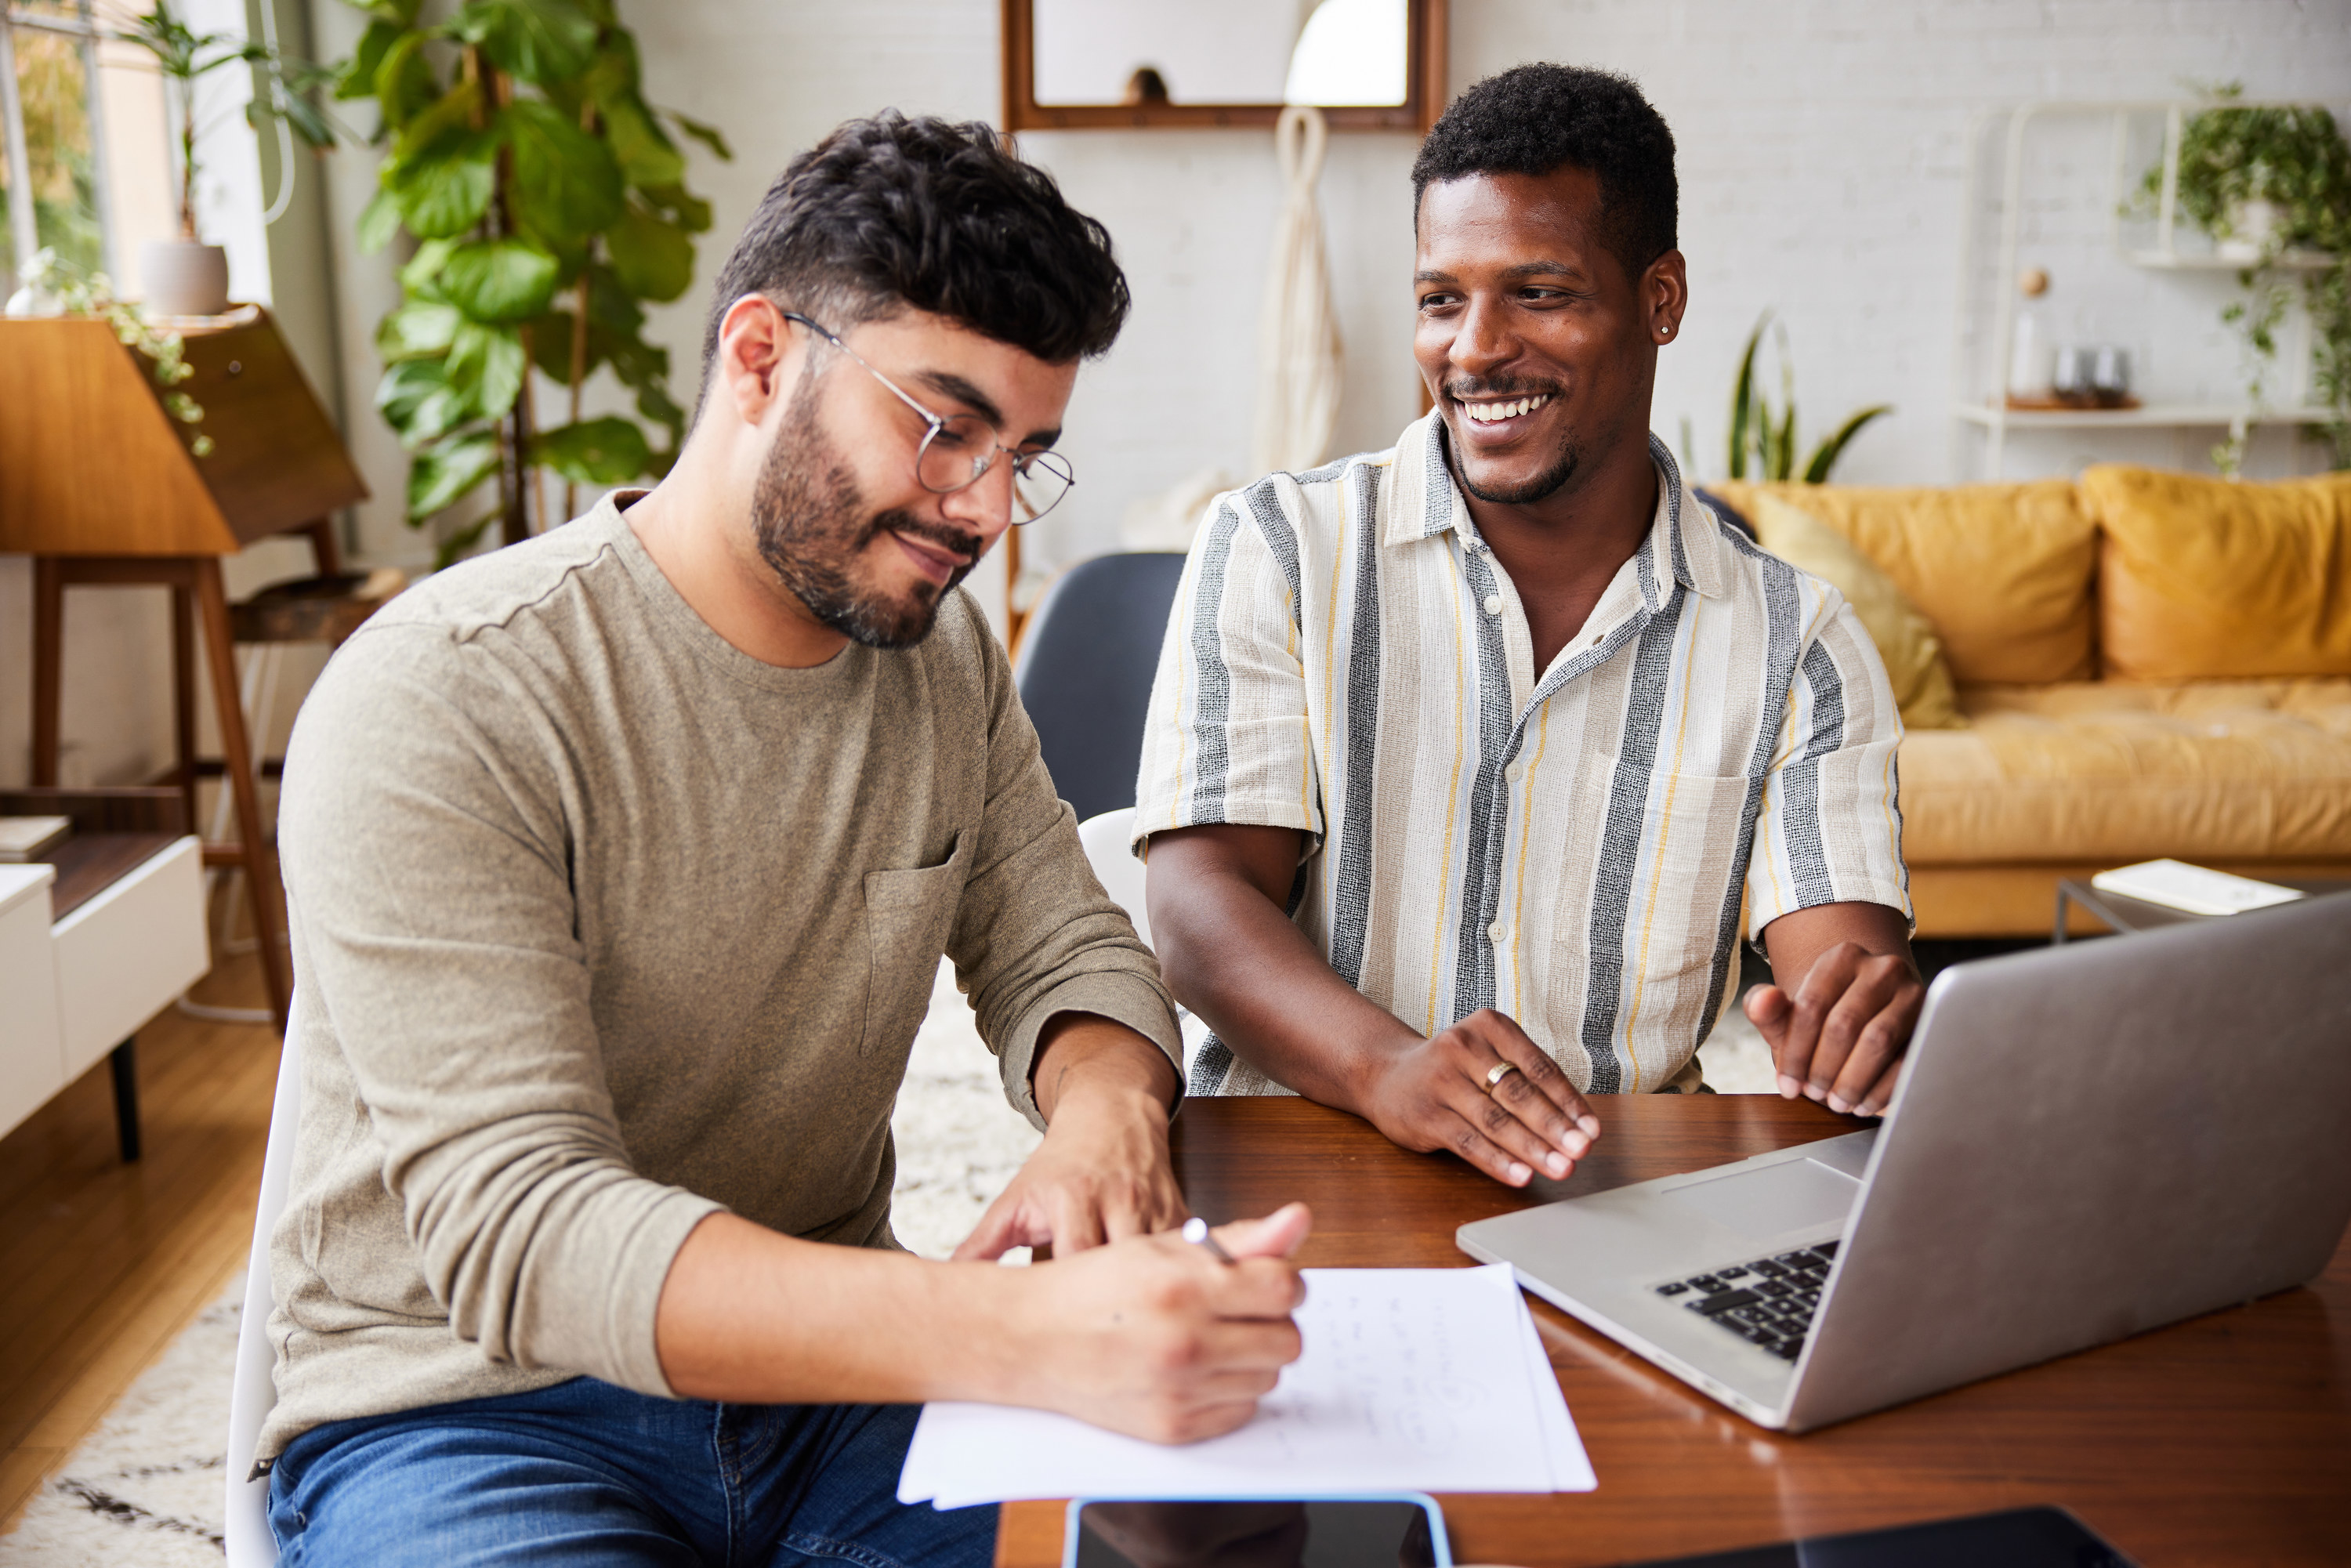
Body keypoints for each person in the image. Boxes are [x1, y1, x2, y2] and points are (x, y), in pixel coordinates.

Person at [263, 112, 1310, 1568]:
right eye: (946, 426)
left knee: (1234, 1532)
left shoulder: (935, 665)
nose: (988, 507)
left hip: (828, 1393)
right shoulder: (448, 690)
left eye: (1025, 453)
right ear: (759, 357)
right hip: (469, 1409)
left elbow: (1065, 944)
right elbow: (527, 1235)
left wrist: (1104, 1118)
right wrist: (1014, 1332)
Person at [1136, 64, 1922, 1192]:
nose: (1473, 349)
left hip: (1613, 1188)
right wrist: (1388, 1069)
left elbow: (1840, 967)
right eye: (1440, 298)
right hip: (1302, 1163)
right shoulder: (1278, 545)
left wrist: (1858, 1024)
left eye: (1539, 294)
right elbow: (1200, 910)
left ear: (1661, 300)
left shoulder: (1799, 642)